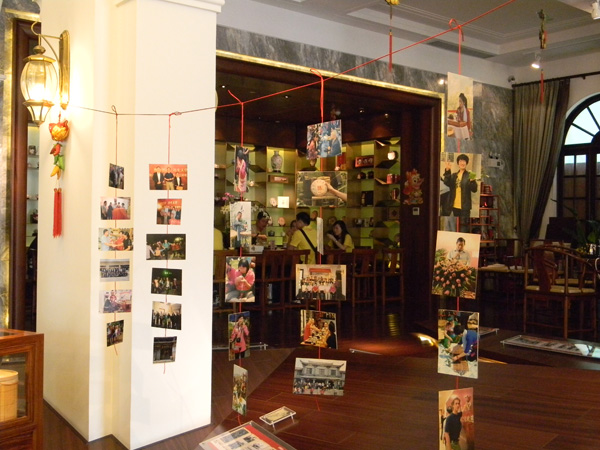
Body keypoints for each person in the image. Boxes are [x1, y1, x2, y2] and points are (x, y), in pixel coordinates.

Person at [442, 154, 477, 220]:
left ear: (466, 163)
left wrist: (472, 181)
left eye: (464, 161)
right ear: (458, 163)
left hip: (465, 207)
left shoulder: (470, 175)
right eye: (460, 161)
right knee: (457, 222)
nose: (462, 163)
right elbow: (446, 182)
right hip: (454, 205)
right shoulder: (454, 175)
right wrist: (447, 171)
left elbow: (474, 189)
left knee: (464, 223)